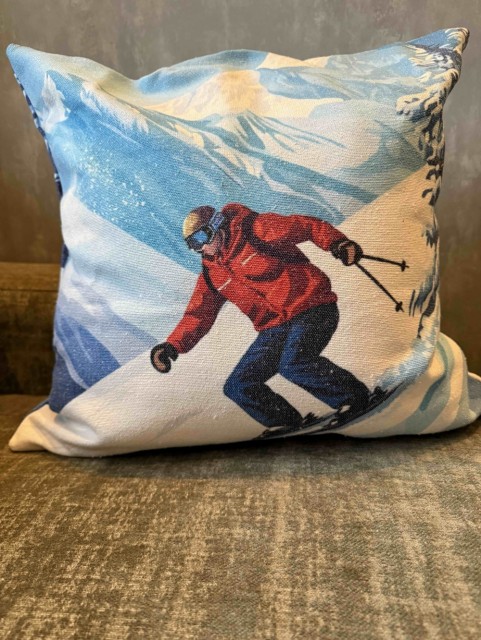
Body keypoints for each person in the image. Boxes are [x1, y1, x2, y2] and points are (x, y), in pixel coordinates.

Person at [151, 202, 372, 433]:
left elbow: (305, 226)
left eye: (202, 237)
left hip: (311, 307)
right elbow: (198, 313)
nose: (202, 247)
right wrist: (172, 346)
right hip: (274, 328)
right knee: (238, 385)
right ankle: (283, 420)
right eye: (194, 244)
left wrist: (338, 243)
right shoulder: (212, 272)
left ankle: (354, 397)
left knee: (294, 363)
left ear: (216, 225)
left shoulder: (254, 229)